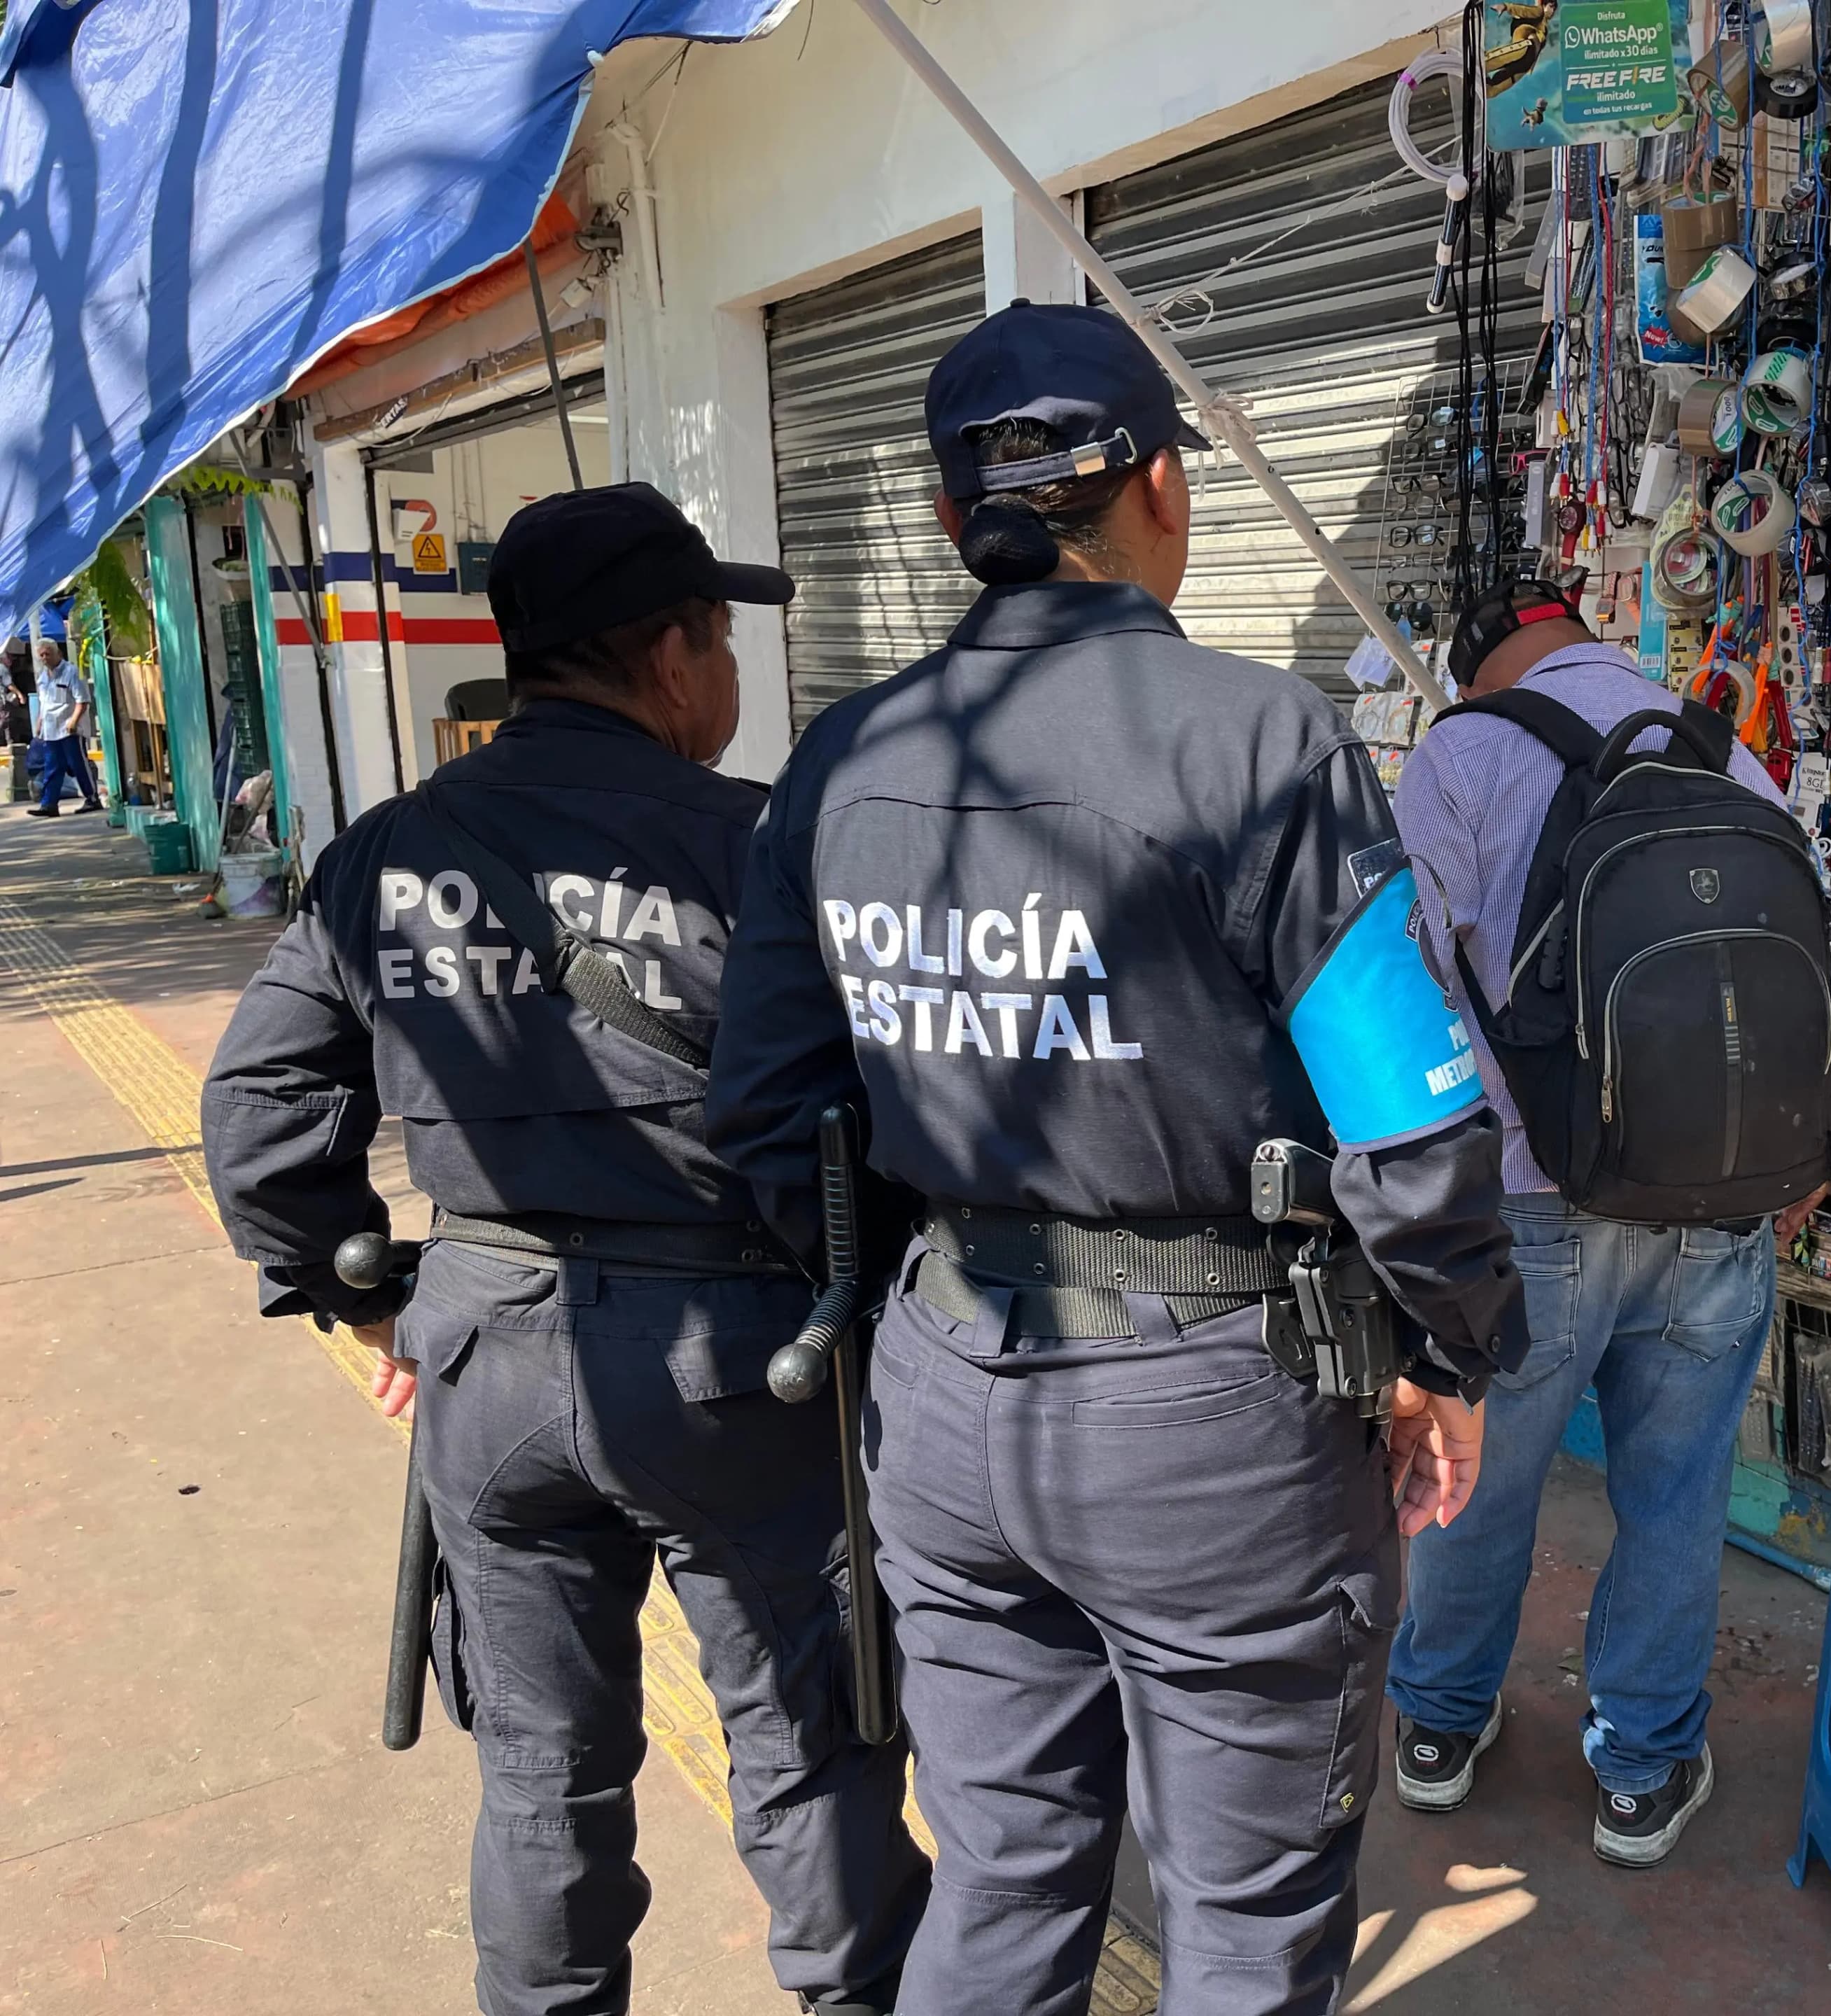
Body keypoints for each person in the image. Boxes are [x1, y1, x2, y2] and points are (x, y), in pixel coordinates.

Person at [708, 300, 1526, 2016]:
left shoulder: (843, 759)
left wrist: (922, 1300)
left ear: (954, 520)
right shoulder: (1257, 737)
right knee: (1240, 1919)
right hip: (1213, 1422)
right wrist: (1445, 1349)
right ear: (1161, 486)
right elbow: (1407, 1115)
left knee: (1001, 1885)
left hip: (939, 1392)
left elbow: (771, 1115)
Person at [200, 484, 929, 2016]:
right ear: (667, 658)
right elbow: (886, 1121)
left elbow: (260, 1112)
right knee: (809, 1747)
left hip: (487, 1355)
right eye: (722, 640)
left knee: (541, 1776)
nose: (729, 677)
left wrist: (378, 1305)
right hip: (736, 1366)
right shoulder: (763, 844)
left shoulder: (388, 851)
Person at [1383, 580, 1830, 1868]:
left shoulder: (1461, 755)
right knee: (1679, 1494)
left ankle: (1441, 1728)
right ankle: (1640, 1770)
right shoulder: (1722, 745)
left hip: (1528, 1209)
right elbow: (1801, 960)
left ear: (1479, 667)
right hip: (1721, 1199)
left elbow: (1403, 989)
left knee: (1475, 1481)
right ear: (1586, 634)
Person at [26, 632, 101, 816]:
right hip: (50, 731)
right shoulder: (43, 677)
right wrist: (39, 723)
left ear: (58, 654)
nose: (45, 658)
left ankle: (92, 799)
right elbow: (45, 704)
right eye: (42, 655)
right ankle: (49, 804)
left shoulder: (71, 672)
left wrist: (74, 721)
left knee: (79, 765)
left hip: (70, 729)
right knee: (52, 767)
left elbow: (82, 701)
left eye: (48, 654)